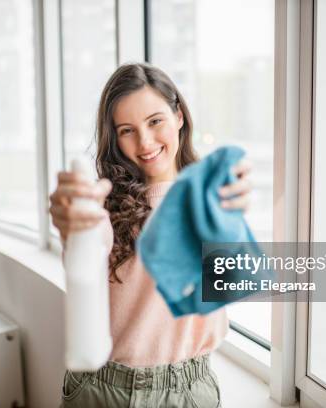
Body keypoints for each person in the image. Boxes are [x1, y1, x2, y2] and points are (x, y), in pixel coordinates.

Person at [49, 63, 252, 407]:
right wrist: (71, 224)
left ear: (179, 116)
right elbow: (83, 244)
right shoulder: (104, 204)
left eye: (155, 121)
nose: (144, 142)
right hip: (105, 390)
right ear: (114, 138)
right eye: (127, 130)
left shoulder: (211, 196)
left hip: (190, 390)